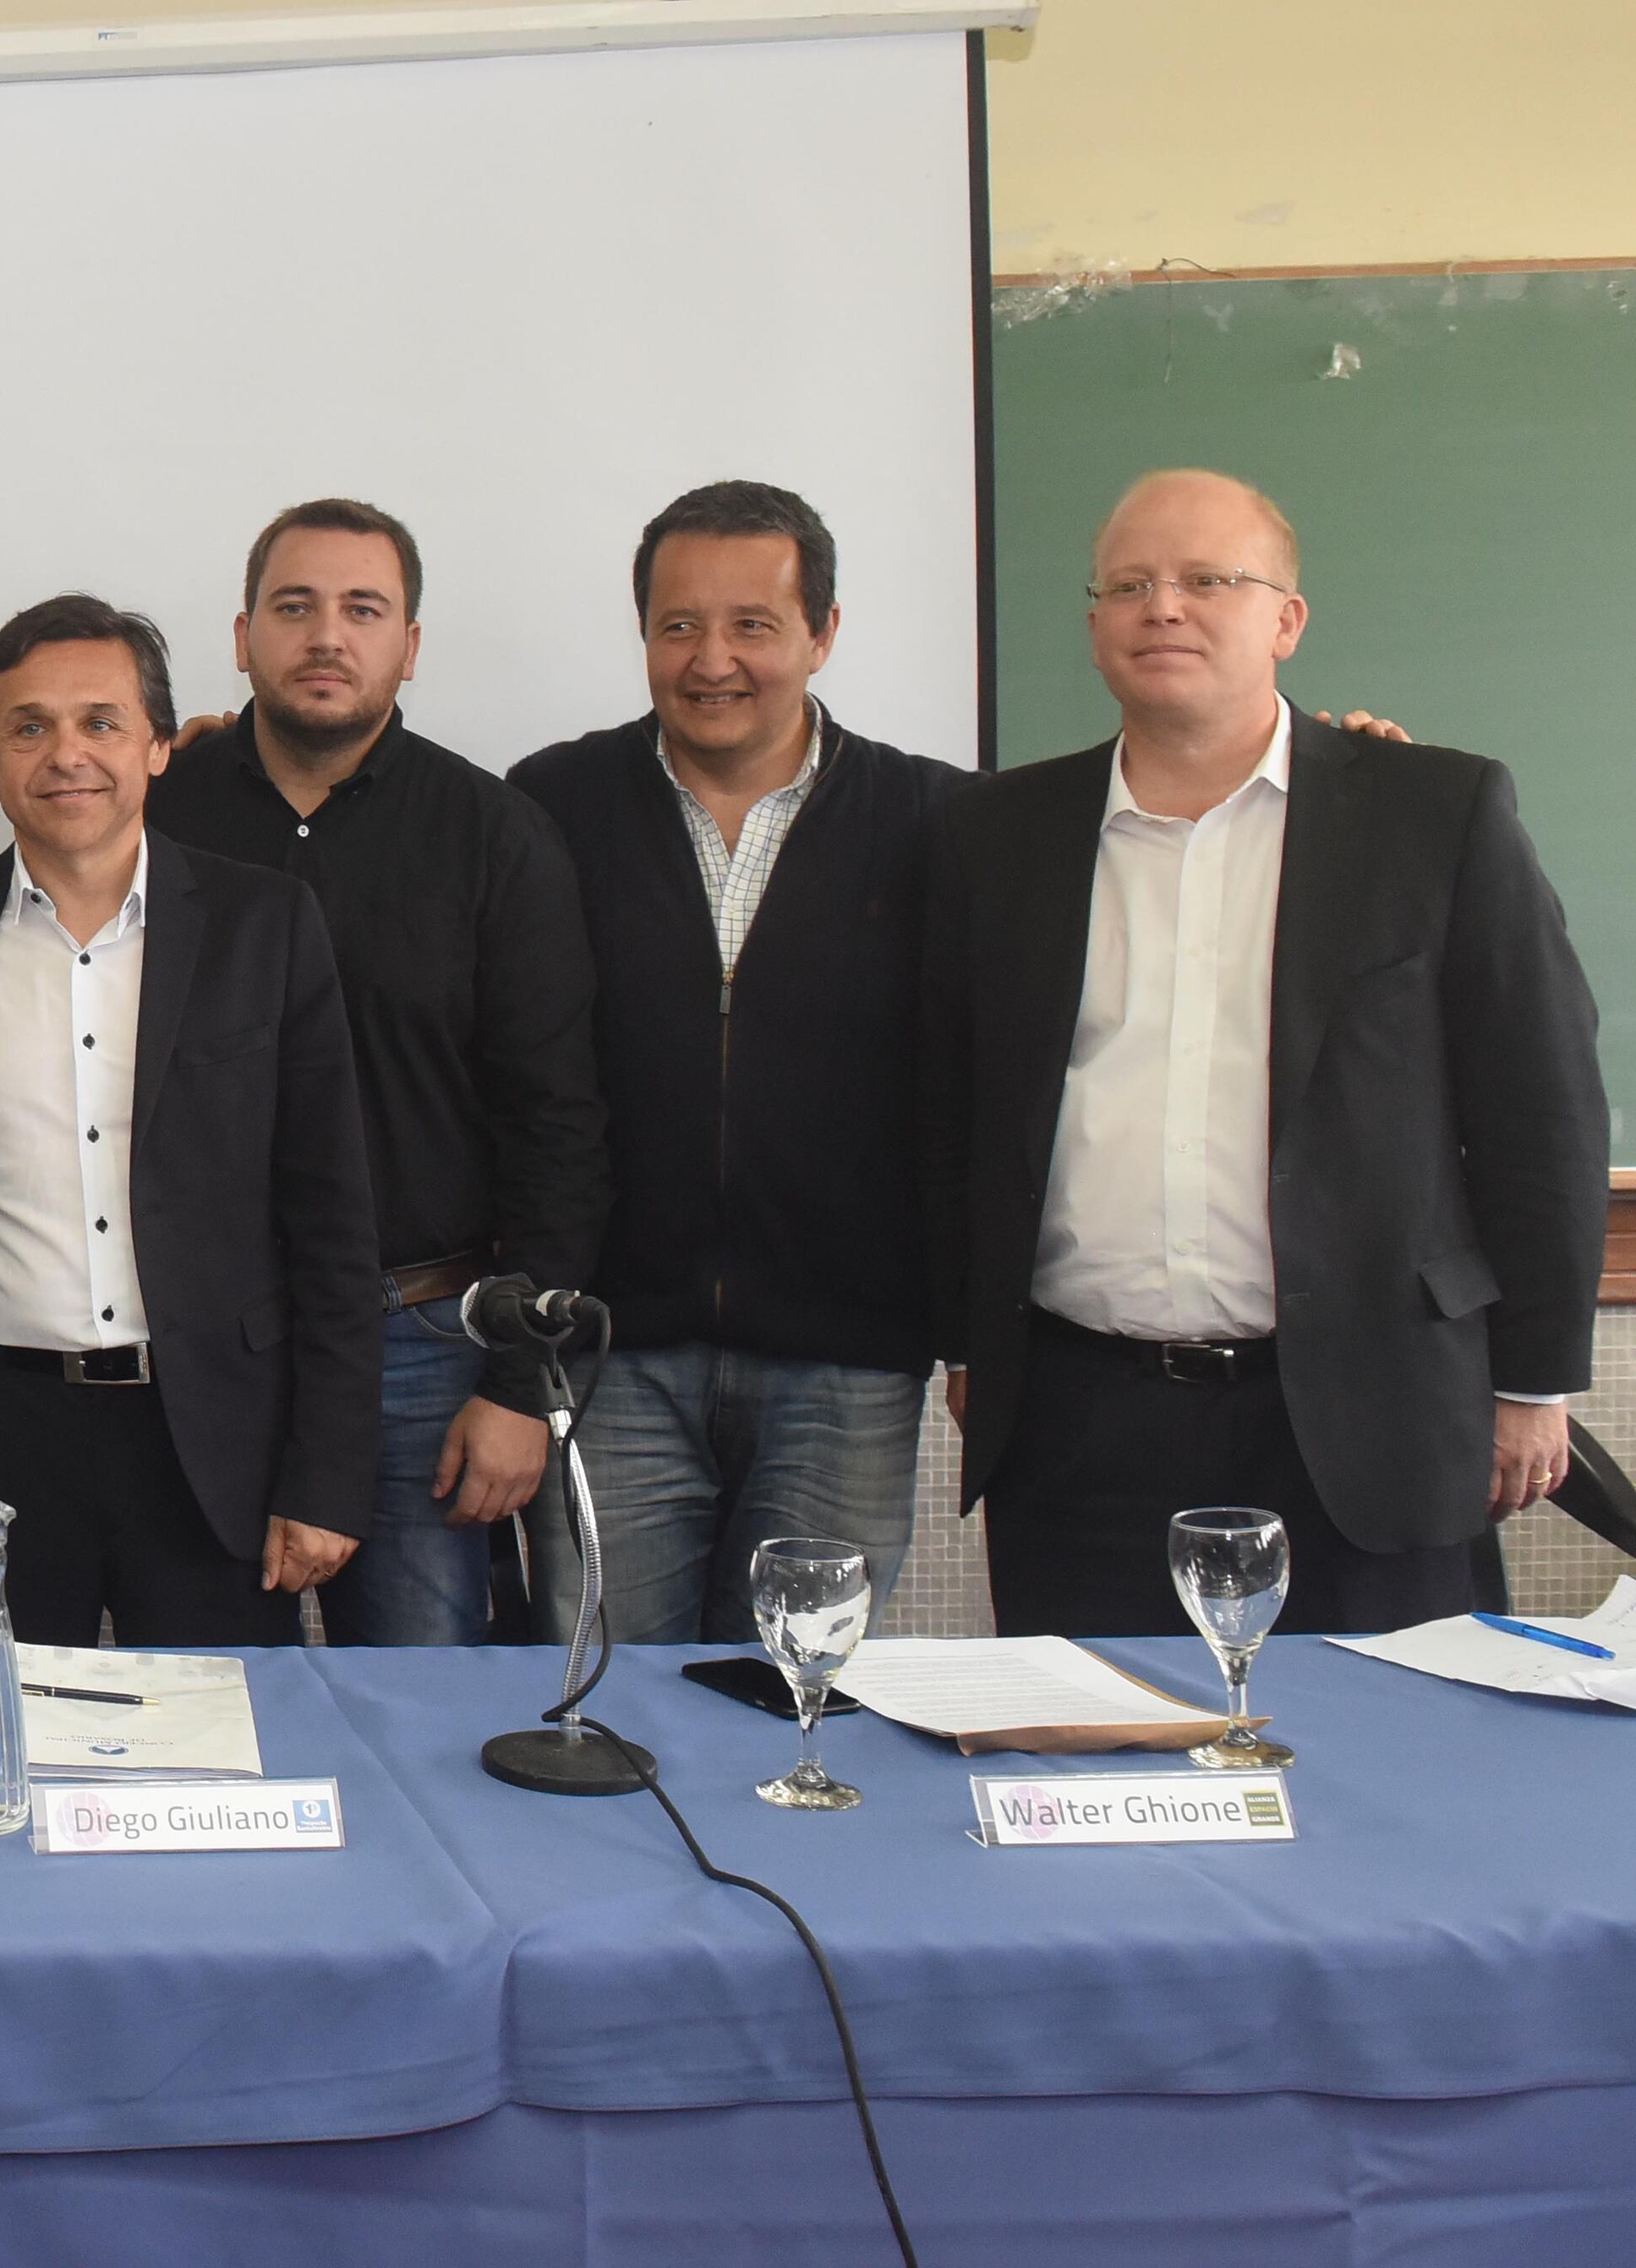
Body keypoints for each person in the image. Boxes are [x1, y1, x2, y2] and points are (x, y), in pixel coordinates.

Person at [922, 469, 1606, 1635]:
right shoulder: (997, 833)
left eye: (1208, 580)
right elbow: (950, 1107)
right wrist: (964, 1342)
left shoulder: (1433, 812)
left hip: (1369, 1410)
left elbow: (1542, 1108)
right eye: (1129, 584)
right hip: (1081, 1424)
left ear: (1287, 618)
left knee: (1380, 1780)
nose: (1164, 607)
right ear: (1092, 626)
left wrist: (1533, 1381)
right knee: (1101, 1778)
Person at [508, 484, 968, 1641]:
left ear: (823, 633)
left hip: (847, 1369)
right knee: (609, 1702)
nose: (712, 660)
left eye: (753, 626)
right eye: (677, 627)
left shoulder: (940, 821)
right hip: (611, 1360)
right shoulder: (548, 806)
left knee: (794, 1697)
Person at [143, 500, 607, 1645]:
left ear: (410, 643)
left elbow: (558, 1120)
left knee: (420, 1700)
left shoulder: (495, 835)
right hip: (205, 1343)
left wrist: (521, 1390)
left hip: (426, 1343)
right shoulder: (155, 818)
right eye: (294, 608)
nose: (326, 637)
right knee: (206, 1689)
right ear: (242, 635)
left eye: (363, 610)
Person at [0, 596, 380, 1647]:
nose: (65, 754)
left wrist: (326, 1474)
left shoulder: (264, 926)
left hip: (208, 1432)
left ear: (160, 745)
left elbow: (331, 1220)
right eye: (27, 727)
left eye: (100, 722)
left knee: (211, 1772)